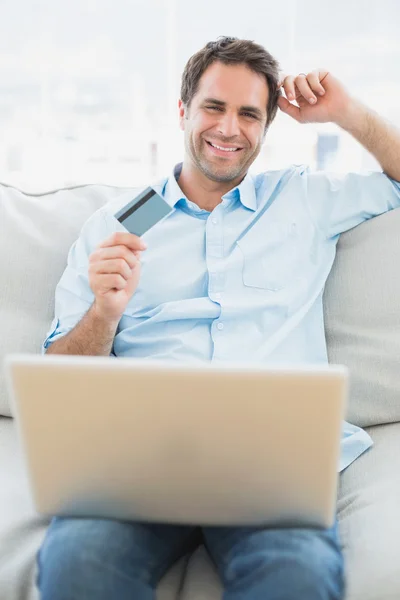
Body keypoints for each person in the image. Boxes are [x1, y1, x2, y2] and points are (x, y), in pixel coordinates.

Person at [38, 36, 400, 600]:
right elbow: (56, 379)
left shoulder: (303, 199)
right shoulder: (115, 226)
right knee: (77, 564)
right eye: (214, 107)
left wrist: (346, 114)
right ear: (183, 111)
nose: (229, 129)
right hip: (141, 462)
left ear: (266, 127)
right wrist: (104, 313)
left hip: (271, 465)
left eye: (249, 114)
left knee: (296, 577)